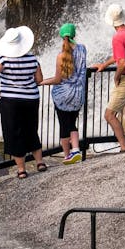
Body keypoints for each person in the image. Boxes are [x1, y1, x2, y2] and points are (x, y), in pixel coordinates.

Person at [0, 25, 46, 178]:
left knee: (14, 132)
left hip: (10, 101)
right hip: (31, 99)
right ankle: (40, 162)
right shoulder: (33, 59)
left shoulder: (3, 59)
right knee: (31, 129)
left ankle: (21, 170)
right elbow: (39, 80)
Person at [94, 4, 125, 151]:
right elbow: (120, 56)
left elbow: (122, 61)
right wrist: (105, 64)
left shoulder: (118, 37)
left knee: (109, 115)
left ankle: (123, 147)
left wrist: (117, 76)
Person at [40, 22, 87, 164]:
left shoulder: (61, 56)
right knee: (72, 123)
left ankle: (67, 156)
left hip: (62, 95)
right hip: (78, 94)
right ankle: (76, 150)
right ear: (74, 34)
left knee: (63, 124)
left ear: (62, 36)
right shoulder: (83, 49)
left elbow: (57, 79)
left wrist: (41, 82)